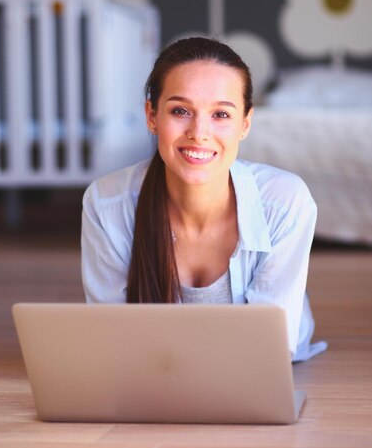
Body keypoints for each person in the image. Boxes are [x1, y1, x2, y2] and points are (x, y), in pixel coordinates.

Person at [81, 37, 327, 362]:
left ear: (245, 124)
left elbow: (268, 350)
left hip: (256, 372)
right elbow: (110, 337)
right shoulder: (107, 203)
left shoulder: (284, 201)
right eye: (180, 111)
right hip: (156, 375)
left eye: (221, 115)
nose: (199, 132)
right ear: (151, 116)